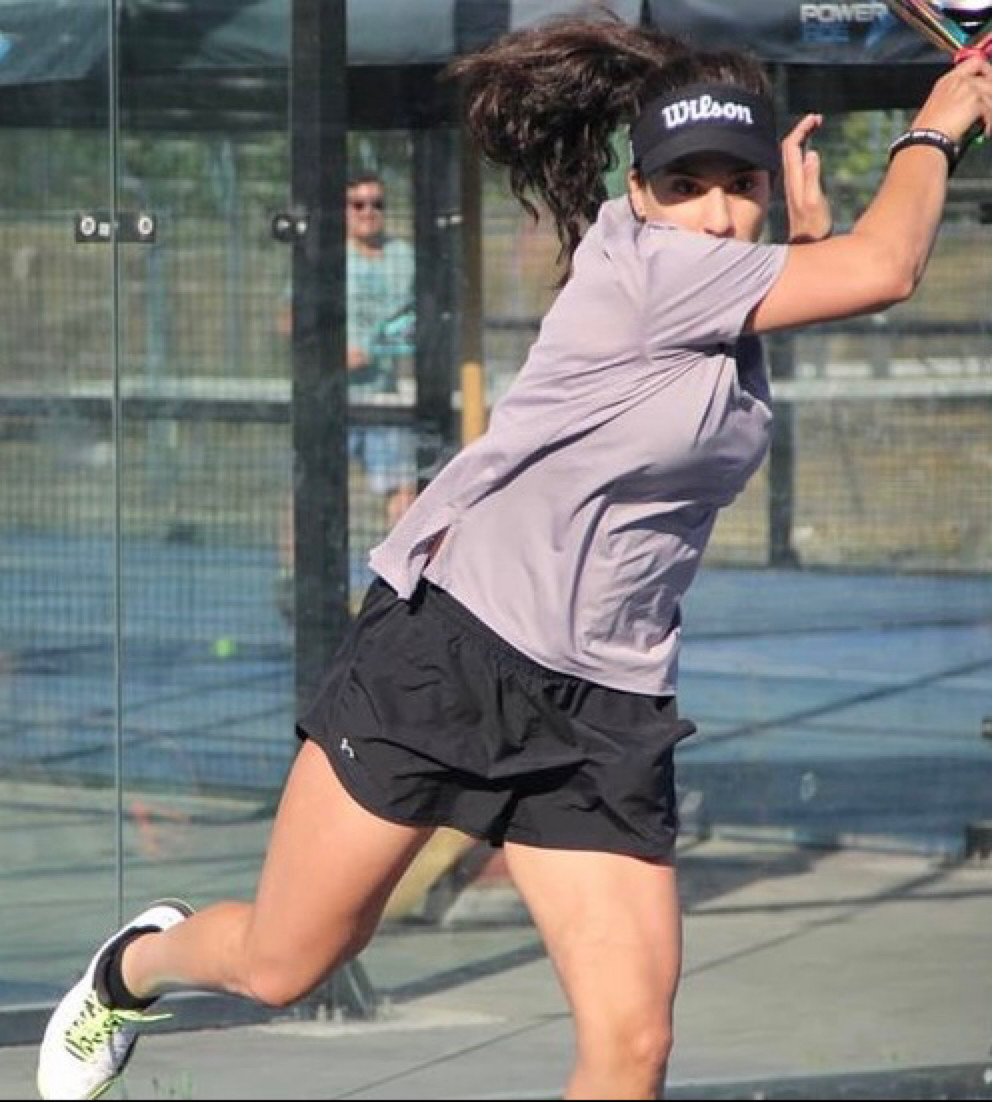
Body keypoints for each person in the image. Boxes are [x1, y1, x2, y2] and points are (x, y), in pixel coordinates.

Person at [37, 13, 992, 1101]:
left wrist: (811, 255)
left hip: (605, 706)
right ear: (638, 194)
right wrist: (938, 123)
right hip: (451, 652)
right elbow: (888, 266)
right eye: (685, 186)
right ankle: (131, 968)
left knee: (631, 1046)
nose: (718, 213)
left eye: (739, 184)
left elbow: (815, 291)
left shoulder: (729, 291)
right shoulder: (642, 271)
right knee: (283, 965)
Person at [276, 170, 417, 619]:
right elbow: (289, 319)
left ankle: (399, 586)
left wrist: (382, 348)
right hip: (327, 397)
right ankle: (293, 581)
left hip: (380, 397)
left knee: (403, 489)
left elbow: (419, 319)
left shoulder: (403, 259)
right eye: (358, 204)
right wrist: (329, 351)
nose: (368, 212)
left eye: (377, 204)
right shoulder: (324, 257)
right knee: (305, 487)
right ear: (343, 212)